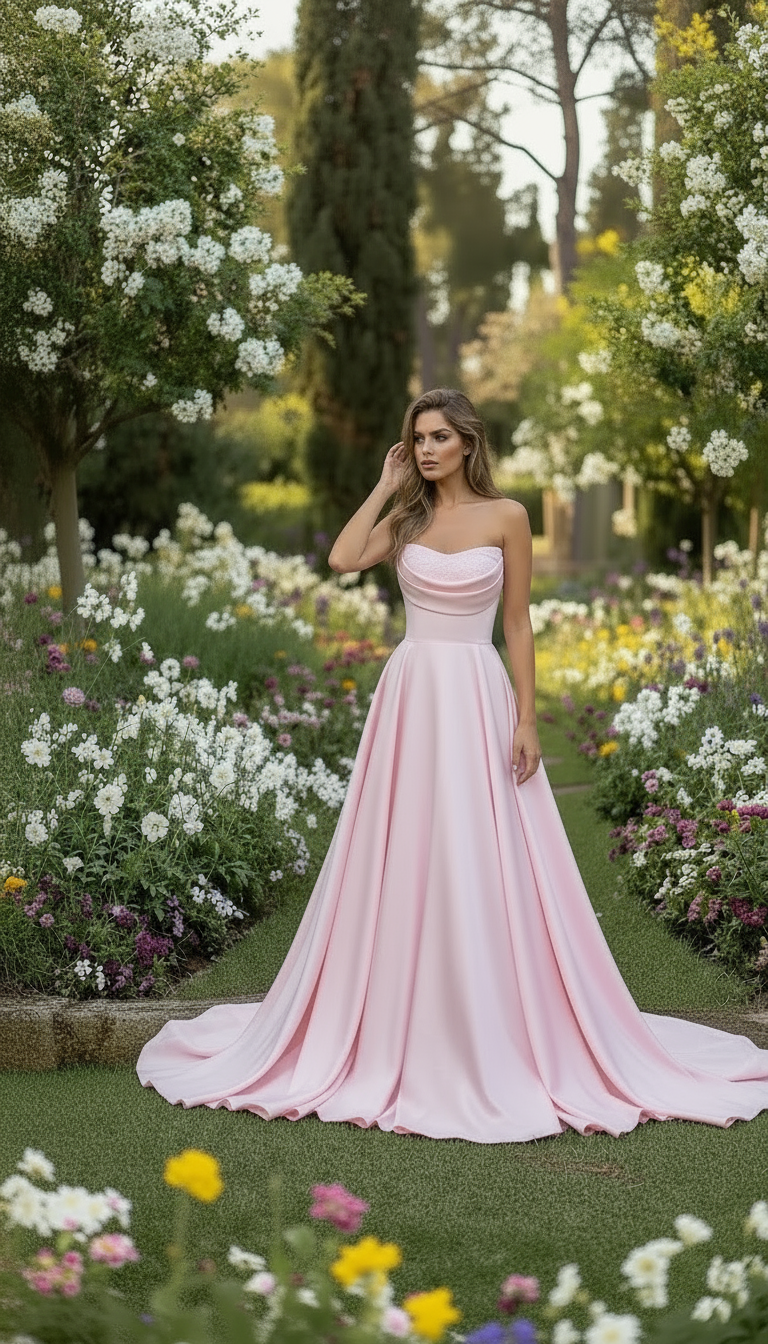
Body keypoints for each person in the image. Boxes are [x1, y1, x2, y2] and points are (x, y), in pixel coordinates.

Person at [137, 387, 768, 1143]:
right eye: (418, 438)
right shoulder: (406, 517)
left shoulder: (507, 517)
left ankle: (493, 1012)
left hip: (476, 689)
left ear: (468, 442)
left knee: (483, 848)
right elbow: (342, 559)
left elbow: (517, 622)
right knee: (401, 847)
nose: (429, 448)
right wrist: (384, 483)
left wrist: (528, 718)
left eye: (440, 437)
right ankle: (394, 1008)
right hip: (411, 695)